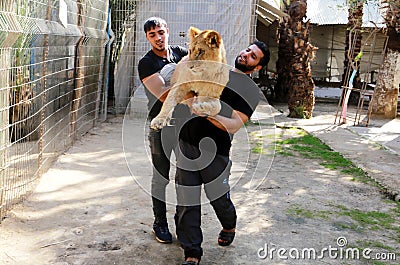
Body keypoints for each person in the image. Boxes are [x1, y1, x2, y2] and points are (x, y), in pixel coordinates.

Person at [174, 40, 270, 265]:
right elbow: (187, 86)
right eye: (248, 50)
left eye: (253, 57)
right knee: (187, 200)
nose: (247, 55)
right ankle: (192, 252)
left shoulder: (249, 91)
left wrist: (207, 113)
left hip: (216, 152)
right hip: (187, 143)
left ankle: (229, 224)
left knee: (218, 198)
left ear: (257, 68)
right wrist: (190, 102)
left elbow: (234, 124)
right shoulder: (217, 70)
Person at [137, 17, 188, 244]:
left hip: (186, 125)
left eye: (160, 32)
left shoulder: (182, 54)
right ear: (147, 38)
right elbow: (166, 95)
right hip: (160, 126)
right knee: (161, 177)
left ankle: (183, 223)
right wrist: (192, 90)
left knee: (185, 177)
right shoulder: (147, 64)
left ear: (167, 30)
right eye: (152, 35)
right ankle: (160, 223)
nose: (158, 38)